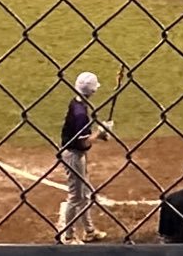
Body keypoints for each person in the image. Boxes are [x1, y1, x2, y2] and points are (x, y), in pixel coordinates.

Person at [60, 72, 112, 244]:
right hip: (73, 155)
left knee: (85, 193)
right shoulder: (81, 113)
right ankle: (68, 236)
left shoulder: (76, 102)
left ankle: (89, 231)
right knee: (76, 197)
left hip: (75, 153)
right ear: (91, 90)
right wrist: (101, 133)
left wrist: (99, 134)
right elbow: (82, 143)